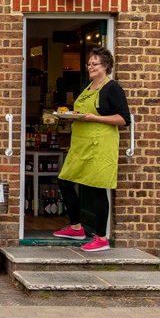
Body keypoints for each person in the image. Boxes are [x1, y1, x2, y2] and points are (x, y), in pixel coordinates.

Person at [54, 45, 132, 252]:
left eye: (94, 64)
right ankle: (76, 227)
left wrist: (94, 118)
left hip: (100, 145)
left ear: (105, 66)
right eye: (89, 64)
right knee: (65, 181)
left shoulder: (112, 88)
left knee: (98, 189)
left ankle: (101, 238)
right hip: (81, 144)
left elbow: (124, 119)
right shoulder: (88, 87)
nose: (90, 67)